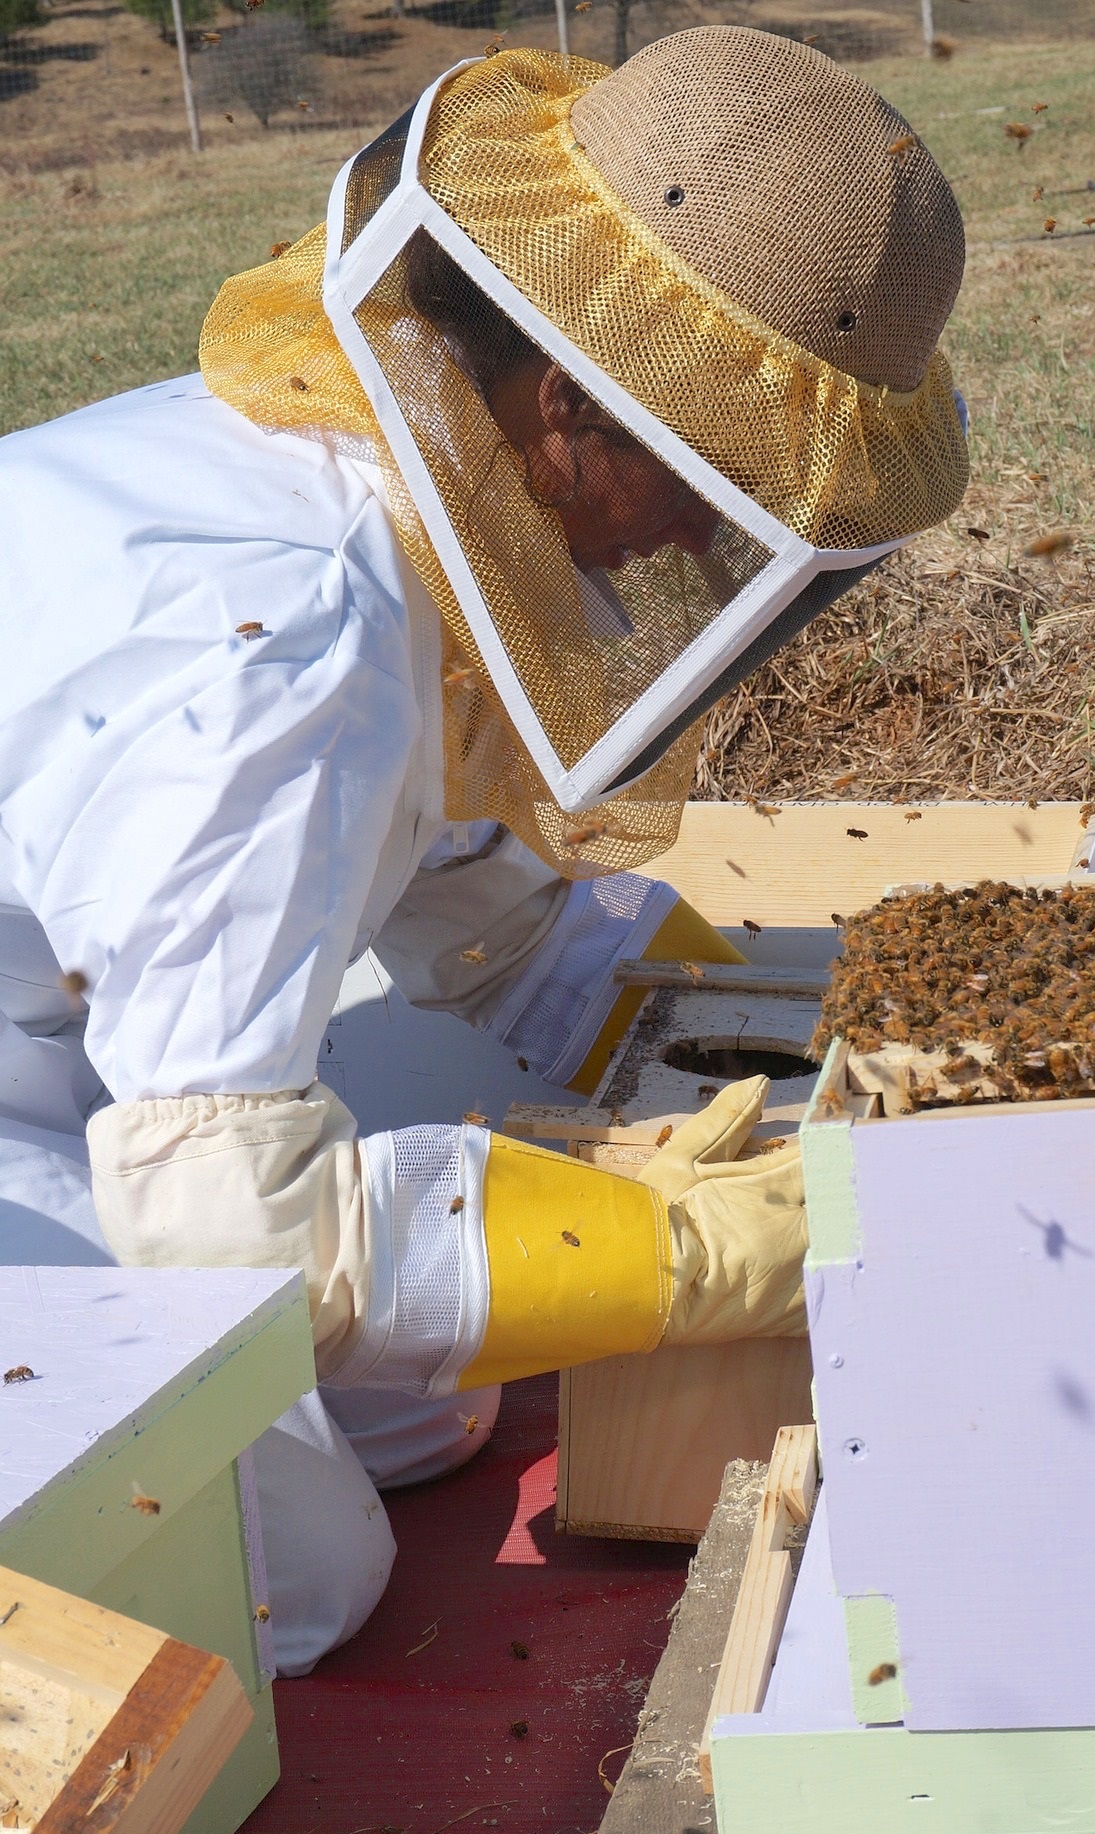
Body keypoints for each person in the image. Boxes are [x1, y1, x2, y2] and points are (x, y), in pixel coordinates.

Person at [0, 27, 968, 1673]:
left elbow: (492, 922)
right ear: (572, 402)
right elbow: (225, 1222)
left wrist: (816, 1033)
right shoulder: (276, 648)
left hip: (54, 1049)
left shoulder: (379, 481)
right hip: (89, 1099)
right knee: (284, 1576)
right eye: (721, 476)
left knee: (406, 1407)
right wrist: (685, 1254)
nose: (703, 537)